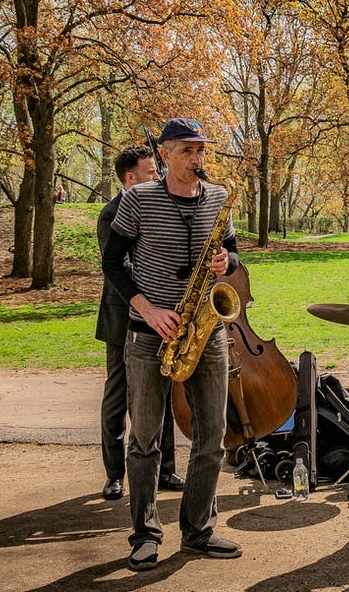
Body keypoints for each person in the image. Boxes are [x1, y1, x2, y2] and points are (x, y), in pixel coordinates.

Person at [102, 118, 243, 571]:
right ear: (164, 153)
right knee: (145, 440)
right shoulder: (138, 199)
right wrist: (146, 308)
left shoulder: (219, 198)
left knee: (213, 438)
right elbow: (111, 260)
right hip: (149, 334)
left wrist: (227, 260)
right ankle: (144, 534)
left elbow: (234, 250)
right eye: (187, 150)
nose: (197, 159)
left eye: (201, 150)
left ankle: (198, 529)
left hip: (207, 332)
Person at [96, 144, 184, 502]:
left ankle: (164, 470)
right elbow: (121, 267)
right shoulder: (111, 213)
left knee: (160, 394)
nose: (158, 177)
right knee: (117, 398)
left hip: (162, 318)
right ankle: (115, 474)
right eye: (151, 173)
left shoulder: (162, 204)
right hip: (123, 319)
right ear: (130, 178)